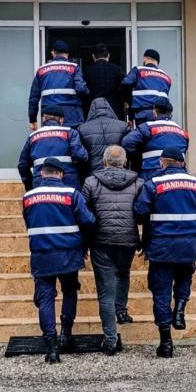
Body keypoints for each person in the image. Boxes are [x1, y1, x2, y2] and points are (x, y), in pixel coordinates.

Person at [23, 158, 96, 364]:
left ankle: (52, 348)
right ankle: (66, 333)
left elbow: (29, 222)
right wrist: (85, 242)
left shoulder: (28, 197)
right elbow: (88, 221)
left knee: (45, 298)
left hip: (41, 255)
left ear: (42, 173)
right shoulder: (71, 194)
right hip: (68, 254)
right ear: (61, 174)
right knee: (69, 291)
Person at [133, 147, 196, 359]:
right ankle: (180, 311)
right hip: (189, 243)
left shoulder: (153, 184)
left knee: (161, 291)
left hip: (162, 245)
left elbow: (140, 212)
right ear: (182, 163)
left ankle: (166, 342)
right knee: (184, 278)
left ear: (162, 162)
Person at [81, 145, 143, 355]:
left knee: (105, 291)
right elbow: (142, 213)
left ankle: (110, 339)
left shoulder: (91, 182)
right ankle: (121, 310)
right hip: (127, 239)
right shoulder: (138, 182)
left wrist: (84, 242)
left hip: (102, 241)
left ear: (104, 161)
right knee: (123, 272)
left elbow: (84, 215)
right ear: (124, 162)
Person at [18, 105, 88, 191]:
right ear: (61, 120)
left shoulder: (32, 137)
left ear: (43, 119)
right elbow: (81, 157)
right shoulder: (71, 133)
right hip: (69, 185)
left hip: (40, 186)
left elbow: (22, 166)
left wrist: (30, 186)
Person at [121, 97, 189, 182]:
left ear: (154, 112)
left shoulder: (147, 127)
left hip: (151, 174)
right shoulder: (183, 133)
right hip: (177, 178)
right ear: (171, 114)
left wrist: (138, 159)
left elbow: (126, 142)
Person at [28, 40, 90, 129]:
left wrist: (32, 119)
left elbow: (33, 98)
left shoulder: (41, 70)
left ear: (53, 52)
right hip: (72, 114)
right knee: (72, 137)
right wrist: (88, 93)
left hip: (50, 115)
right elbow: (81, 89)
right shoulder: (74, 68)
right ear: (67, 54)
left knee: (52, 136)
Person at [77, 97, 130, 176]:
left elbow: (81, 154)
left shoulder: (82, 128)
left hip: (94, 172)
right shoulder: (123, 126)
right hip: (118, 171)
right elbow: (129, 148)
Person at [120, 48, 172, 126]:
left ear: (145, 58)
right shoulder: (166, 77)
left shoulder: (138, 70)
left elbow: (125, 84)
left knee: (144, 133)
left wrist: (128, 103)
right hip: (160, 115)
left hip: (143, 113)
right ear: (157, 62)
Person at [82, 42, 125, 122]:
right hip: (115, 110)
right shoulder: (117, 69)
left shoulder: (87, 70)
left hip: (92, 111)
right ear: (108, 55)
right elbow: (124, 87)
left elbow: (83, 91)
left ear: (93, 56)